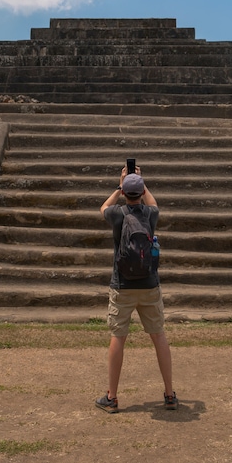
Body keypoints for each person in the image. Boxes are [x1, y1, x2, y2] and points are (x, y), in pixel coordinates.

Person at [95, 166, 177, 413]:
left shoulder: (118, 214)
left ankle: (112, 396)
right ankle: (169, 393)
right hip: (149, 283)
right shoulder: (150, 214)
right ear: (141, 192)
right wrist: (142, 183)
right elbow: (155, 204)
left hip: (122, 284)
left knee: (118, 337)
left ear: (125, 193)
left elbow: (103, 208)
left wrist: (120, 187)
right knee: (158, 336)